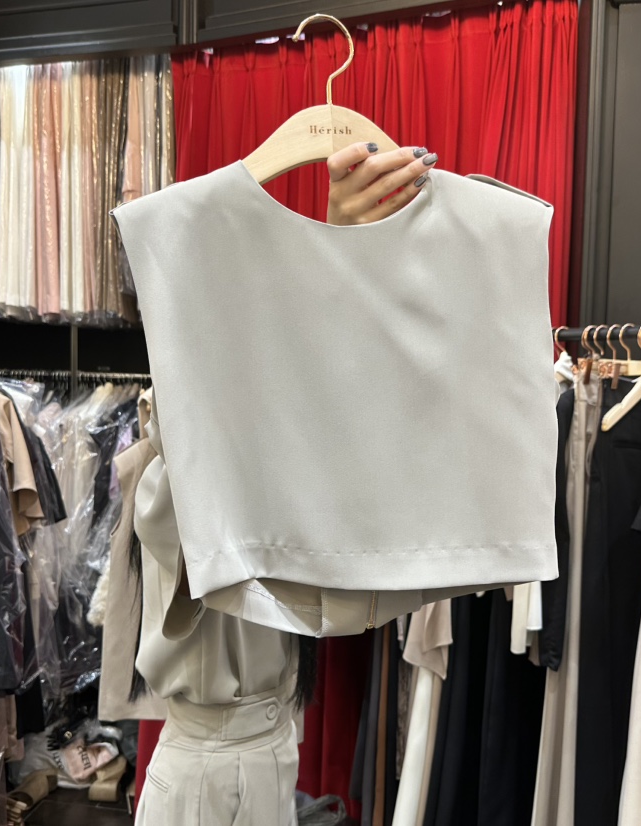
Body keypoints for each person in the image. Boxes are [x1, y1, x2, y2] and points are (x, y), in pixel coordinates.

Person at [133, 144, 438, 826]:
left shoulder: (255, 423)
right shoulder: (191, 428)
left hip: (264, 754)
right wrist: (332, 265)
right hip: (212, 776)